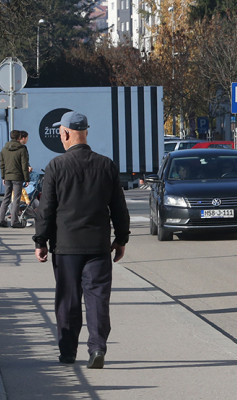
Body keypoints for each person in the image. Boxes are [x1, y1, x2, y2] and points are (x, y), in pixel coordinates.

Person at [32, 111, 130, 369]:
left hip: (65, 247)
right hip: (98, 246)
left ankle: (67, 352)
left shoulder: (56, 166)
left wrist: (40, 241)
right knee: (97, 299)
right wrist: (121, 239)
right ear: (86, 131)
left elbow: (46, 209)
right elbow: (119, 208)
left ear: (64, 133)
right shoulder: (106, 165)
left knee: (68, 300)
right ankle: (97, 348)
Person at [0, 130, 30, 227]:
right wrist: (27, 179)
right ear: (19, 137)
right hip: (17, 177)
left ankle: (1, 220)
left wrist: (3, 176)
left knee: (6, 198)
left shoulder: (4, 149)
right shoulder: (22, 149)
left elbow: (2, 164)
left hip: (8, 176)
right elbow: (24, 165)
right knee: (16, 199)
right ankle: (14, 222)